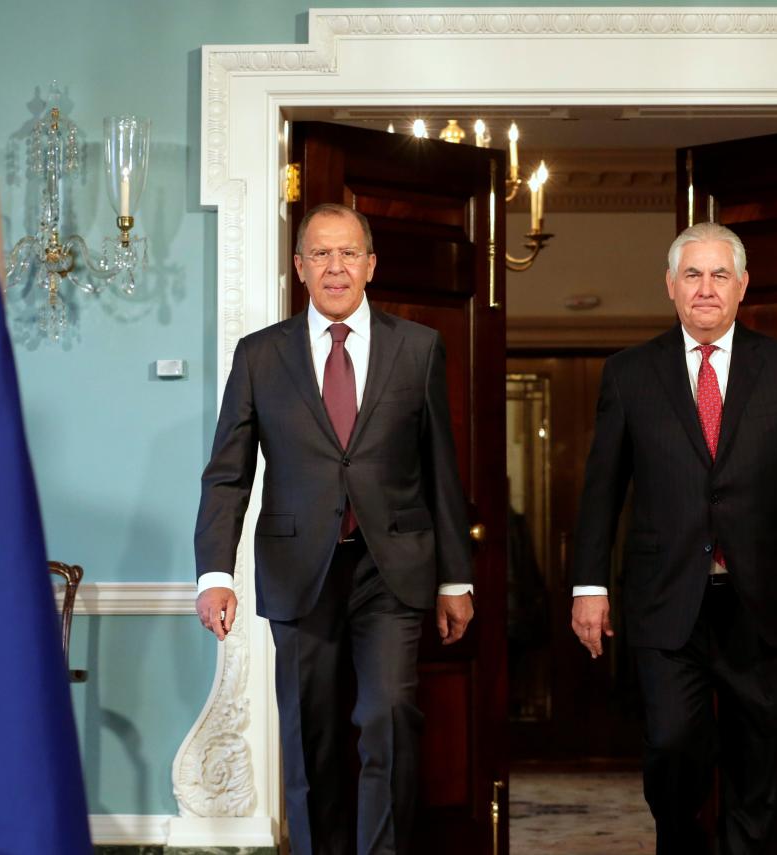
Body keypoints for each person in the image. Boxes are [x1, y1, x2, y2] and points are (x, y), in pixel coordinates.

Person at [193, 203, 474, 855]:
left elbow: (441, 472)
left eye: (348, 253)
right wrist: (214, 571)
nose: (336, 266)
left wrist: (456, 577)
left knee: (390, 718)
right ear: (299, 267)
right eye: (320, 253)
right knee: (310, 734)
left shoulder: (419, 346)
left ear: (371, 265)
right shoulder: (261, 355)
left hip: (391, 566)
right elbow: (227, 473)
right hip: (299, 571)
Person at [571, 222, 777, 855]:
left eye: (719, 275)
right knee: (672, 745)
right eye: (693, 275)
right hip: (666, 601)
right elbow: (602, 490)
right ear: (671, 286)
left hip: (759, 600)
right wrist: (588, 585)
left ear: (743, 286)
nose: (706, 288)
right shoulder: (629, 374)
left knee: (762, 758)